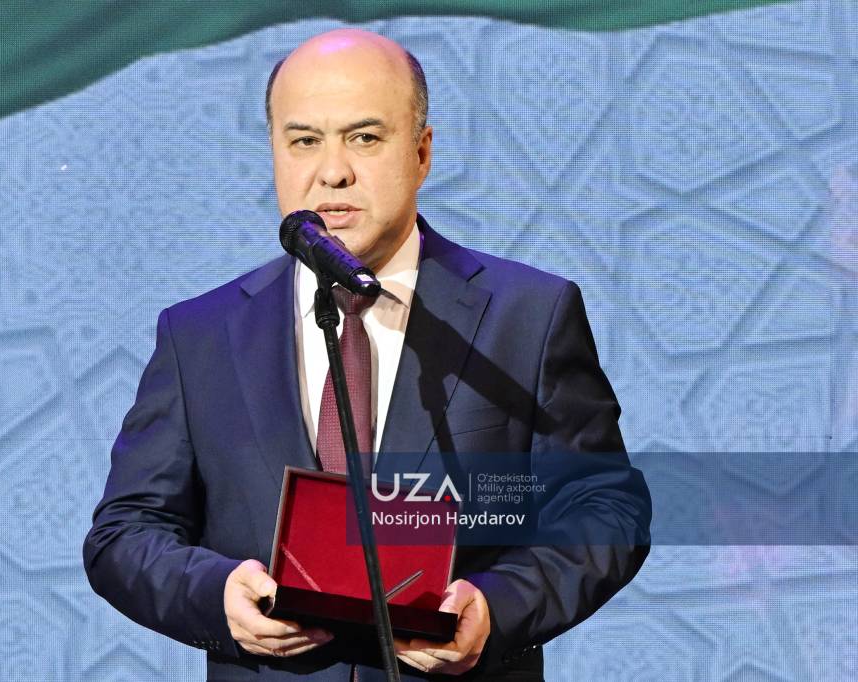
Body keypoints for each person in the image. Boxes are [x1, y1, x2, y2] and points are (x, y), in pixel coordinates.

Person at [84, 28, 650, 681]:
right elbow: (126, 532)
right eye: (304, 141)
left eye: (364, 137)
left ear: (422, 151)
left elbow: (604, 510)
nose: (333, 172)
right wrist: (218, 595)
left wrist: (496, 608)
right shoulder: (200, 336)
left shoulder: (528, 315)